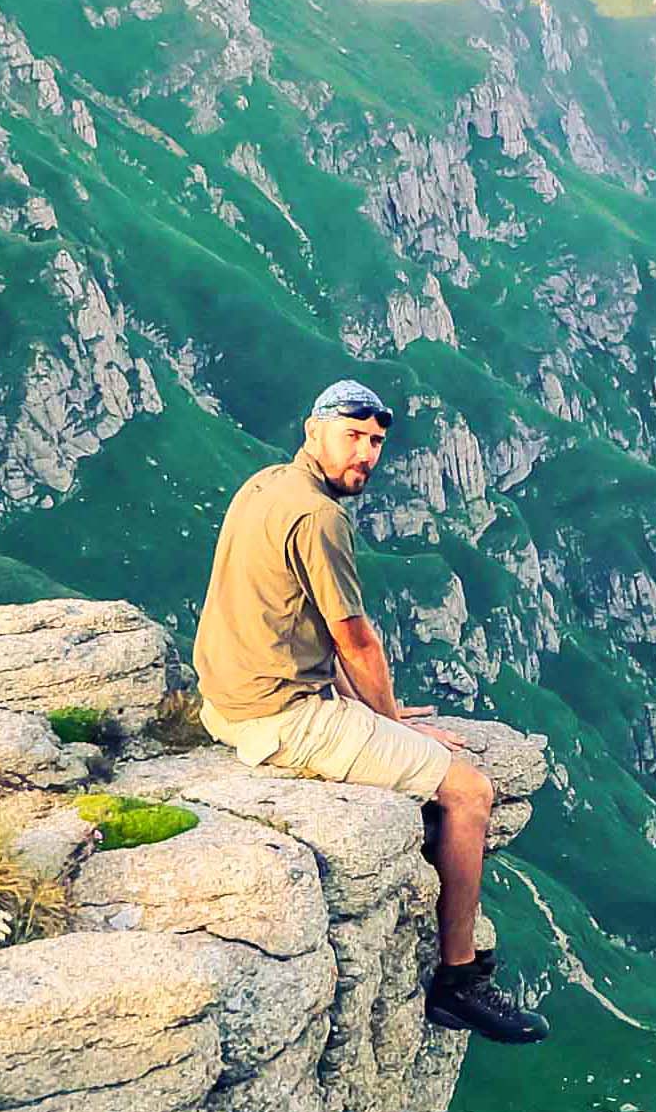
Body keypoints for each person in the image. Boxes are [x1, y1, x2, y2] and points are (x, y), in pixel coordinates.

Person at [191, 379, 546, 1044]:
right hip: (280, 715)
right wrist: (388, 722)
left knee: (420, 757)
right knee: (470, 792)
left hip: (228, 698)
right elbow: (355, 639)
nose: (366, 453)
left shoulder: (266, 485)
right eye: (352, 436)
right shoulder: (321, 517)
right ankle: (460, 981)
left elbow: (311, 629)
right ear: (314, 430)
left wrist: (366, 708)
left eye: (376, 441)